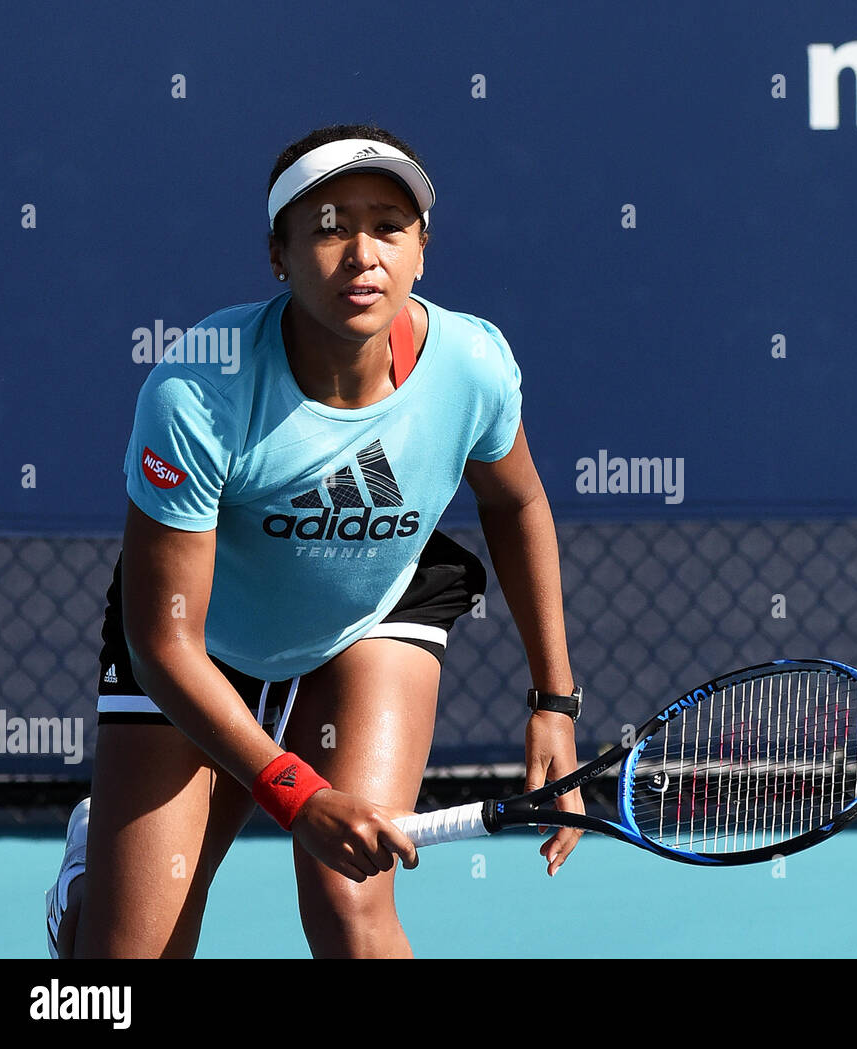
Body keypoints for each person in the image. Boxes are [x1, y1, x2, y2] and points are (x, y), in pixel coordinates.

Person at [44, 123, 585, 958]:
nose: (363, 252)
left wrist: (554, 702)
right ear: (279, 254)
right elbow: (163, 638)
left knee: (352, 905)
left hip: (370, 612)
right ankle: (91, 879)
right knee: (119, 967)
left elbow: (516, 505)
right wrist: (294, 791)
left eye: (389, 226)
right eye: (331, 225)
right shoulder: (196, 394)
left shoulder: (472, 365)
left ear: (422, 251)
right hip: (201, 641)